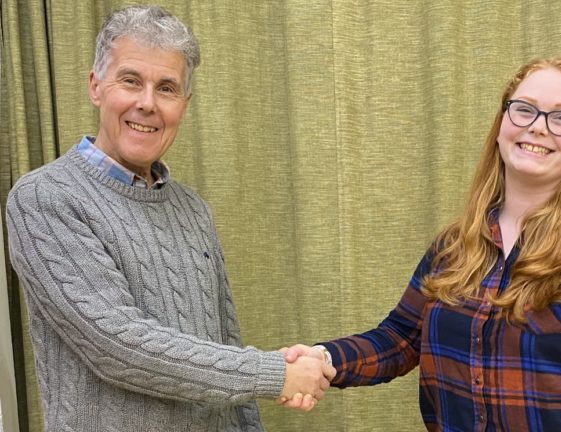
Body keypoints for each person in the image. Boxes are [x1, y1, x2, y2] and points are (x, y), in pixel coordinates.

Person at [283, 57, 561, 430]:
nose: (538, 125)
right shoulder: (455, 245)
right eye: (525, 109)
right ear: (502, 123)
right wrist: (324, 359)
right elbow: (402, 338)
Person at [5, 5, 333, 431]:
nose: (147, 104)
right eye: (130, 81)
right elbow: (118, 346)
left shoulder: (193, 209)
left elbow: (226, 343)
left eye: (166, 88)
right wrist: (276, 373)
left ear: (184, 103)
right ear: (95, 86)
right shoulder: (44, 199)